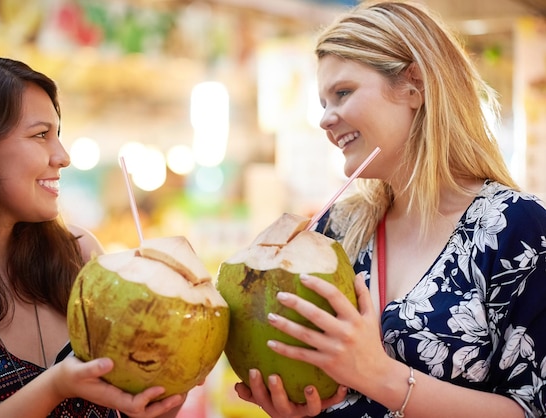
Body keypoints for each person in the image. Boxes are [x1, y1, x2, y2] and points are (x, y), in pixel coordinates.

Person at [234, 1, 546, 417]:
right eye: (323, 102)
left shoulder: (517, 228)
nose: (326, 119)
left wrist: (378, 375)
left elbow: (533, 407)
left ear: (414, 86)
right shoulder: (335, 231)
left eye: (342, 93)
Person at [0, 54, 186, 418]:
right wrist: (55, 387)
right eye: (41, 135)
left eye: (57, 134)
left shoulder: (81, 255)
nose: (63, 156)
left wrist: (162, 398)